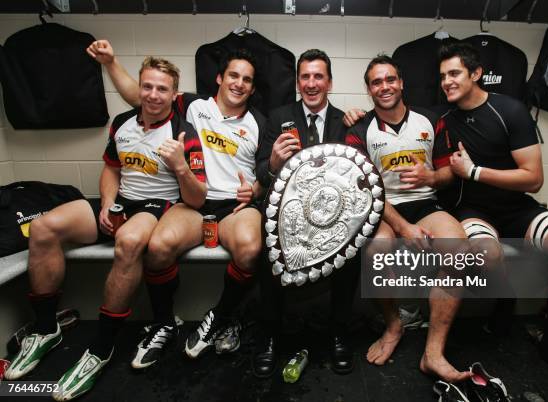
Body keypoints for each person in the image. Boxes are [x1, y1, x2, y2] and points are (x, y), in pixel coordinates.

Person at [5, 56, 206, 401]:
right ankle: (45, 327)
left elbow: (198, 198)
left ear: (174, 95)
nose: (153, 95)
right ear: (139, 88)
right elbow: (112, 168)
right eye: (148, 86)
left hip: (157, 206)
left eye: (162, 89)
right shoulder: (123, 122)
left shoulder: (183, 131)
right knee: (42, 228)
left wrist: (180, 166)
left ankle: (101, 347)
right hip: (118, 202)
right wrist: (106, 204)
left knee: (128, 242)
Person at [86, 40, 266, 367]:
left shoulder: (258, 123)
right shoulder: (192, 106)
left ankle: (220, 317)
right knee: (158, 247)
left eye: (247, 79)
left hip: (234, 207)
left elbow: (267, 170)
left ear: (253, 88)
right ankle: (163, 322)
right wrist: (111, 62)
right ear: (220, 79)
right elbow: (141, 95)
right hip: (193, 203)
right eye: (233, 76)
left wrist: (253, 189)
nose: (239, 83)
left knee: (251, 249)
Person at [437, 42, 548, 395]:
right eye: (443, 76)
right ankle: (506, 300)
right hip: (471, 210)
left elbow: (533, 177)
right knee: (487, 255)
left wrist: (474, 171)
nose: (447, 82)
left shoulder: (509, 110)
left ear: (476, 73)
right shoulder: (444, 119)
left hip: (517, 208)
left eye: (454, 74)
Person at [344, 55, 472, 382]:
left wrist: (430, 177)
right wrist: (403, 227)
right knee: (376, 249)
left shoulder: (430, 119)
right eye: (376, 82)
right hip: (382, 207)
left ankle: (433, 353)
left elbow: (447, 174)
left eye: (390, 80)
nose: (384, 87)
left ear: (401, 83)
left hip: (425, 202)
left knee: (460, 252)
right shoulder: (359, 129)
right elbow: (366, 191)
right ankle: (393, 326)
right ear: (369, 89)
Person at [253, 49, 359, 377]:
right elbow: (260, 172)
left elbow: (359, 176)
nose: (311, 83)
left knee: (353, 248)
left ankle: (340, 332)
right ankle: (270, 334)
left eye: (318, 76)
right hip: (288, 211)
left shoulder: (347, 120)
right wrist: (272, 162)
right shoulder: (277, 116)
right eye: (305, 77)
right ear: (297, 82)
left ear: (329, 81)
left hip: (333, 214)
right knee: (268, 248)